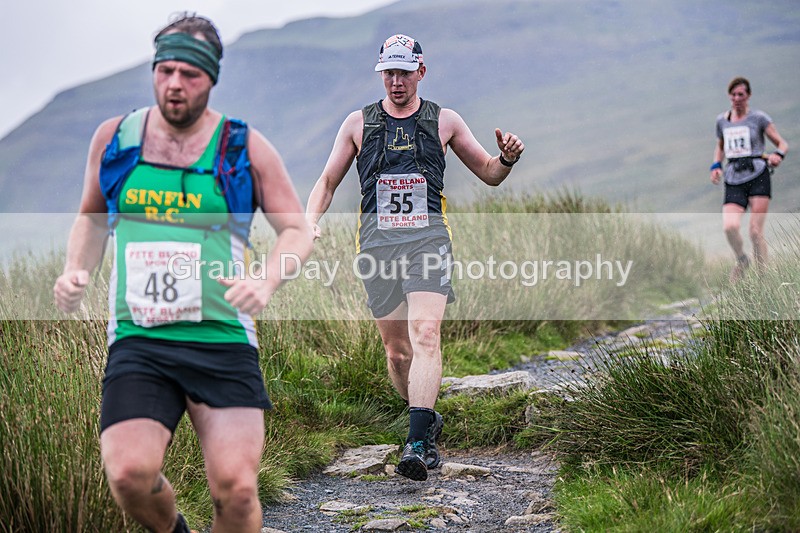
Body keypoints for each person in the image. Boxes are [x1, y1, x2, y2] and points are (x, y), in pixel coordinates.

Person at [53, 14, 313, 533]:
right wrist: (75, 270)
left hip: (221, 339)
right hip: (140, 340)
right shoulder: (117, 139)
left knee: (236, 492)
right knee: (129, 474)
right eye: (165, 70)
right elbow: (92, 215)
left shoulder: (242, 148)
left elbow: (297, 230)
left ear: (211, 78)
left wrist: (264, 279)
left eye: (189, 74)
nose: (175, 84)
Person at [305, 34, 524, 481]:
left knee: (425, 333)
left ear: (421, 72)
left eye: (404, 72)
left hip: (428, 241)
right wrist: (308, 221)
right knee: (397, 351)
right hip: (376, 245)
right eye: (389, 72)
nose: (396, 81)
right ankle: (424, 419)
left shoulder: (444, 121)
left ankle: (419, 442)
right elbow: (327, 181)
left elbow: (489, 174)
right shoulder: (357, 124)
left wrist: (505, 159)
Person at [710, 76, 788, 282]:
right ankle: (742, 259)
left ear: (748, 96)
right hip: (734, 177)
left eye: (741, 94)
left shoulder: (759, 118)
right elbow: (720, 146)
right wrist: (716, 165)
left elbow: (782, 143)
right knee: (730, 227)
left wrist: (777, 155)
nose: (736, 98)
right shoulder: (722, 121)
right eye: (733, 94)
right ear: (729, 96)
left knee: (755, 231)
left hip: (758, 175)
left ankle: (764, 279)